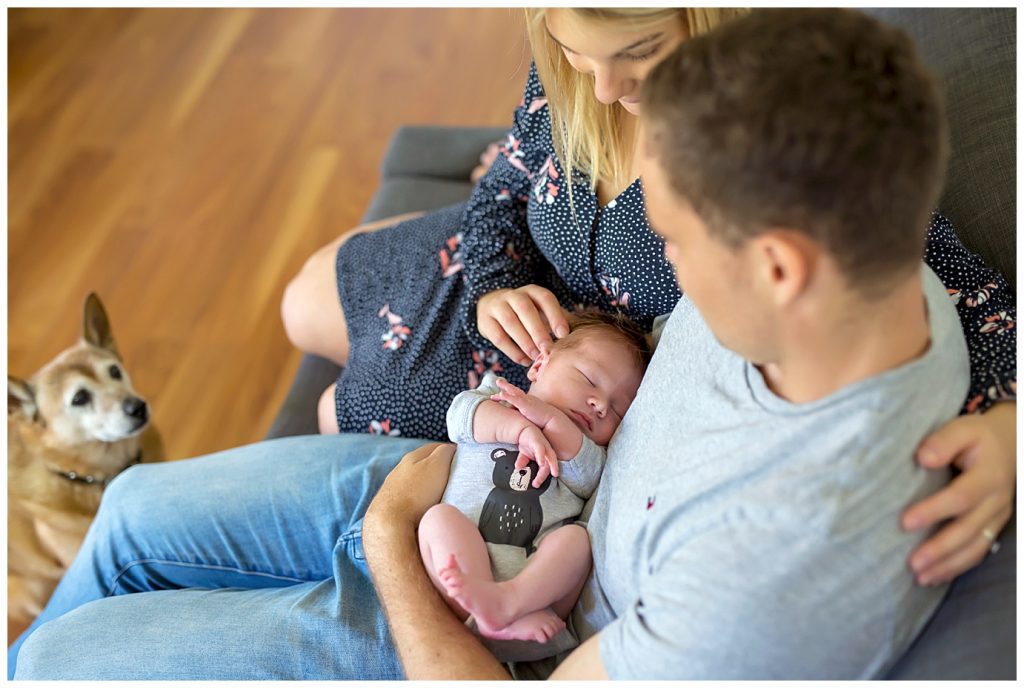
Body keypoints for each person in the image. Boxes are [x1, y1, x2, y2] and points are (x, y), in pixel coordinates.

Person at [10, 9, 996, 680]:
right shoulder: (889, 275)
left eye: (681, 245)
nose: (666, 291)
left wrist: (399, 534)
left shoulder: (761, 577)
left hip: (495, 611)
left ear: (776, 266)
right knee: (131, 506)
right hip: (477, 471)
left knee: (56, 660)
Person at [282, 7, 1015, 587]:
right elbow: (507, 182)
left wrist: (1011, 429)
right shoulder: (573, 81)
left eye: (639, 52)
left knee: (330, 417)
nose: (603, 89)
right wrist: (494, 286)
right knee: (300, 303)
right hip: (508, 283)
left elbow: (968, 294)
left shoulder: (763, 143)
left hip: (562, 383)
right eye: (576, 52)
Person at [419, 310, 649, 655]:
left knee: (576, 541)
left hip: (536, 598)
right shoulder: (498, 396)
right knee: (437, 519)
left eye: (618, 409)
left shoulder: (588, 454)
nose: (600, 404)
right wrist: (521, 428)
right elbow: (461, 416)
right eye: (588, 378)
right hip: (457, 583)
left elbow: (586, 479)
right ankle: (485, 604)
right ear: (540, 365)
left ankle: (508, 601)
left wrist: (551, 422)